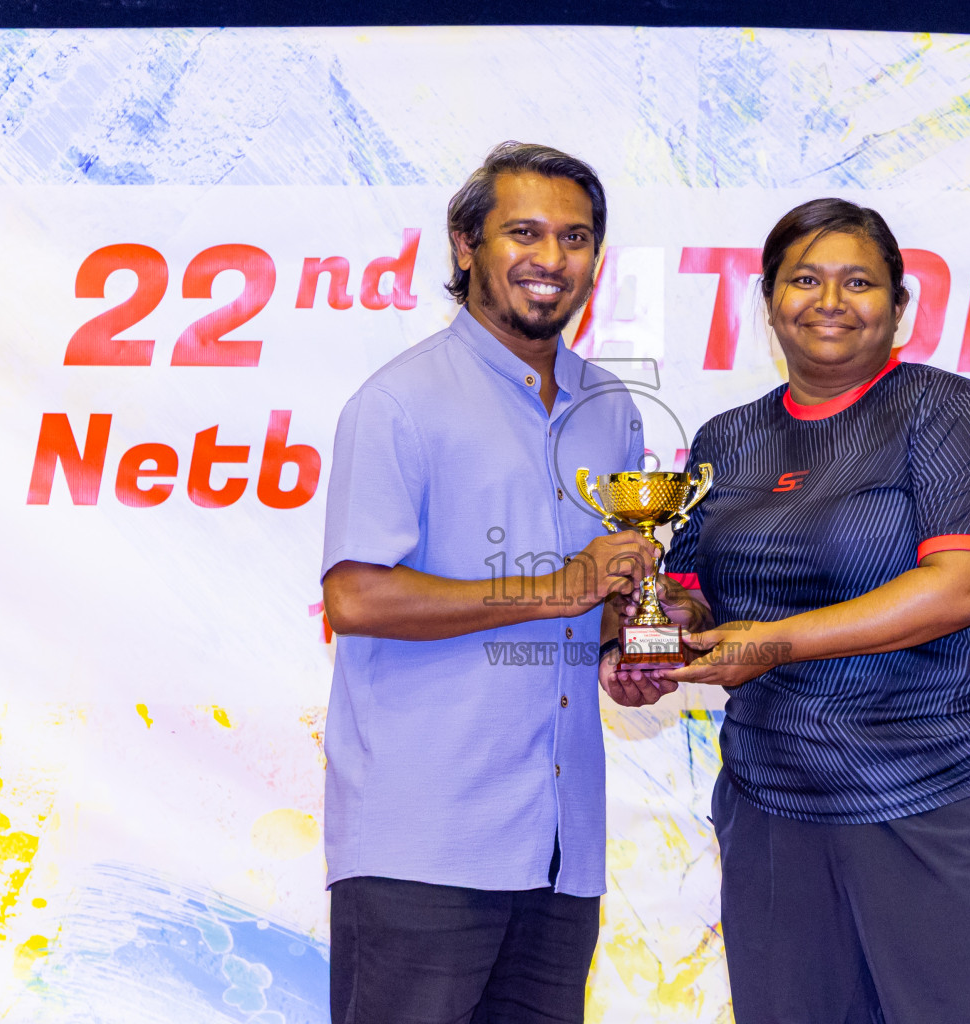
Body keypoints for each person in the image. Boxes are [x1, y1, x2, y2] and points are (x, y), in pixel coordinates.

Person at [619, 198, 970, 1022]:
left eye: (859, 282)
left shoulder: (948, 412)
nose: (831, 302)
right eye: (805, 280)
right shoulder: (728, 439)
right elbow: (696, 596)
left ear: (899, 306)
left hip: (929, 790)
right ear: (770, 301)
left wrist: (773, 643)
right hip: (771, 801)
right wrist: (657, 637)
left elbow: (960, 587)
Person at [320, 141, 671, 1024]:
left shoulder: (611, 411)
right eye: (524, 232)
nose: (552, 258)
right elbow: (355, 598)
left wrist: (633, 639)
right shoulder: (399, 402)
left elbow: (595, 608)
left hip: (560, 850)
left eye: (575, 237)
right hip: (423, 847)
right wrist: (558, 589)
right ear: (465, 243)